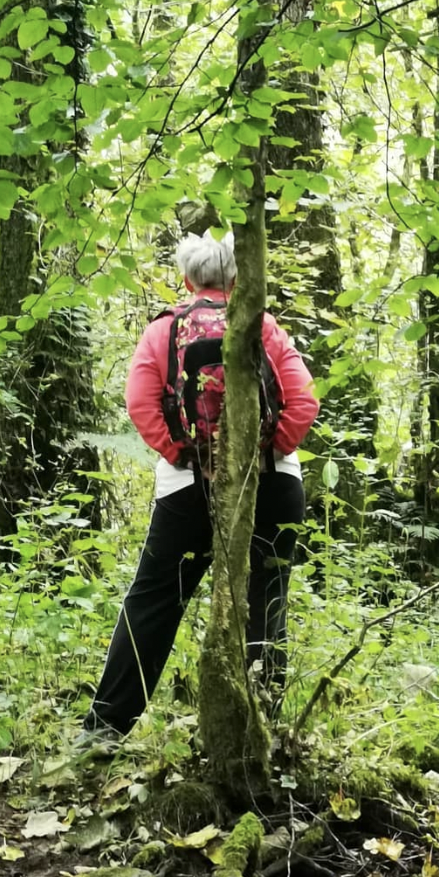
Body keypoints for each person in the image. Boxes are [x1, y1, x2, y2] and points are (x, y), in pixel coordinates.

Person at [80, 231, 319, 744]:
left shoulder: (164, 331)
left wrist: (187, 455)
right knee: (265, 600)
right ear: (238, 278)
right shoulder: (262, 328)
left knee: (154, 601)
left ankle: (103, 730)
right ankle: (263, 728)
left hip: (189, 486)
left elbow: (142, 403)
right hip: (273, 484)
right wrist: (257, 456)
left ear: (187, 279)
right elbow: (302, 404)